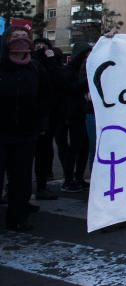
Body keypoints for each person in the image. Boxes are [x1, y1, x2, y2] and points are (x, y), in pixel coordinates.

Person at [1, 28, 48, 231]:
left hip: (25, 133)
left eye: (24, 38)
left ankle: (18, 217)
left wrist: (40, 124)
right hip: (2, 132)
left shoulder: (36, 68)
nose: (20, 41)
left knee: (20, 178)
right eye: (15, 38)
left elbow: (46, 96)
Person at [33, 39, 66, 201]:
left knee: (44, 152)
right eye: (37, 47)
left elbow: (58, 80)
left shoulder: (53, 65)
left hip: (49, 116)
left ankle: (41, 185)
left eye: (43, 47)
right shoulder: (29, 65)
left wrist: (51, 60)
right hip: (29, 117)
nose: (40, 49)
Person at [62, 44, 92, 193]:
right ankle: (68, 179)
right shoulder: (70, 71)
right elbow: (72, 88)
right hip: (75, 114)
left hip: (87, 112)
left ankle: (79, 177)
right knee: (74, 147)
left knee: (85, 148)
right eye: (87, 55)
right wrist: (88, 79)